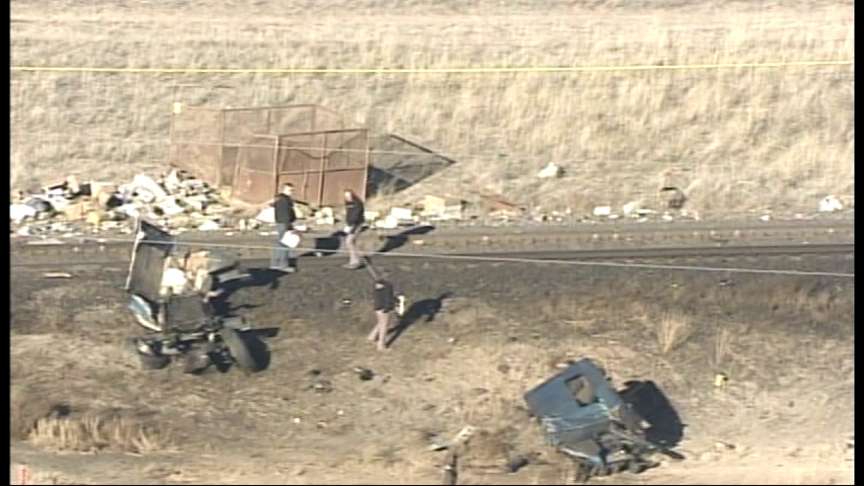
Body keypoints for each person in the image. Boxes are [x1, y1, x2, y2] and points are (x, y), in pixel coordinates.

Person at [270, 183, 297, 273]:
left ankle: (275, 264)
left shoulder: (280, 199)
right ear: (284, 190)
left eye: (292, 190)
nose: (291, 192)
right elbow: (285, 214)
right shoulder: (284, 200)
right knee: (285, 244)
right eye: (290, 190)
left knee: (280, 244)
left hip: (281, 223)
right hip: (284, 223)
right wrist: (289, 226)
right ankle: (283, 265)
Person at [368, 279, 395, 351]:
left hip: (377, 307)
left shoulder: (375, 286)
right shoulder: (388, 285)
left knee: (381, 322)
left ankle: (371, 337)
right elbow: (388, 297)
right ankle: (381, 346)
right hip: (384, 308)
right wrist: (388, 308)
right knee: (384, 326)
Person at [342, 189, 365, 269]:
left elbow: (356, 216)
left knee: (349, 241)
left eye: (348, 195)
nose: (347, 197)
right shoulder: (348, 203)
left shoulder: (358, 204)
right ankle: (353, 261)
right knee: (351, 242)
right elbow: (349, 214)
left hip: (356, 224)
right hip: (350, 224)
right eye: (346, 196)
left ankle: (356, 261)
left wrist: (351, 225)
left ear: (352, 195)